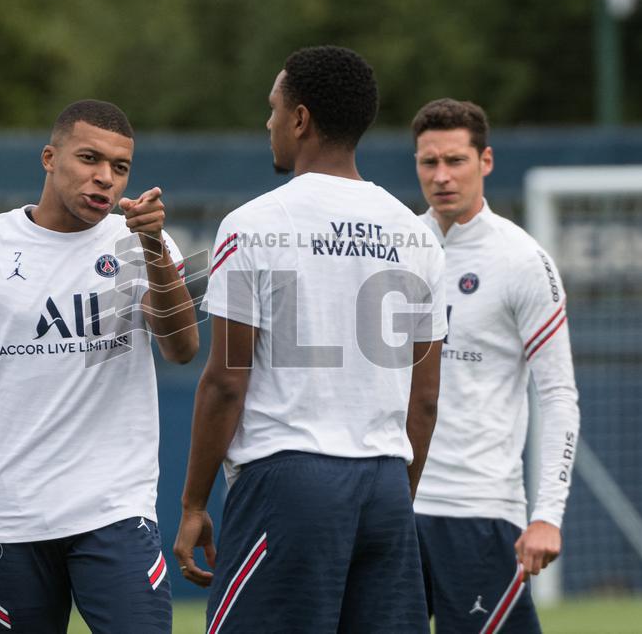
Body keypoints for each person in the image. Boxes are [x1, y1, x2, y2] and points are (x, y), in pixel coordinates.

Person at [173, 46, 447, 633]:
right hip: (385, 486)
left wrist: (193, 503)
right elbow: (424, 398)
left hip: (291, 482)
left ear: (300, 120)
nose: (268, 123)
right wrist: (396, 500)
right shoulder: (416, 233)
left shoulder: (254, 223)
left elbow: (225, 382)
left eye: (273, 109)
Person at [0, 99, 199, 633]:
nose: (104, 178)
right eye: (89, 159)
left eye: (120, 167)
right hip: (9, 517)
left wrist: (153, 246)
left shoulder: (143, 245)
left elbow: (182, 348)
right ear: (49, 157)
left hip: (114, 509)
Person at [410, 98, 581, 633]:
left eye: (455, 161)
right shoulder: (395, 247)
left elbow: (558, 394)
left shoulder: (522, 260)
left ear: (485, 161)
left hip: (479, 508)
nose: (441, 177)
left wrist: (547, 514)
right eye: (428, 162)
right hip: (393, 503)